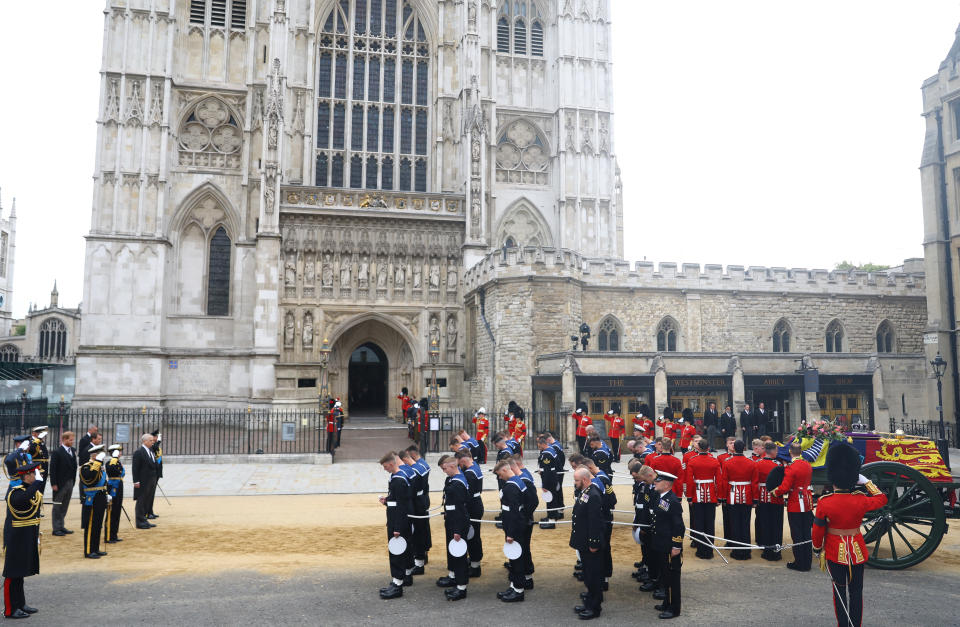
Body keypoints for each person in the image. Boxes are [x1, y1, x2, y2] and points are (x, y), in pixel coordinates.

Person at [811, 442, 887, 627]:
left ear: (833, 479)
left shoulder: (825, 502)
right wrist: (867, 482)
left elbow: (818, 530)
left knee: (839, 593)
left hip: (834, 552)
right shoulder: (860, 500)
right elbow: (882, 499)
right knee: (856, 593)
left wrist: (817, 548)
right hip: (858, 552)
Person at [2, 461, 42, 619]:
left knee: (21, 573)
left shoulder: (29, 490)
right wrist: (38, 483)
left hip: (26, 536)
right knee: (12, 574)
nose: (37, 476)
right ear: (27, 476)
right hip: (15, 538)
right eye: (35, 474)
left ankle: (20, 603)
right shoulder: (15, 492)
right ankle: (10, 609)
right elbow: (24, 498)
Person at [773, 441, 814, 571]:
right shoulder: (807, 465)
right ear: (801, 452)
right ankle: (807, 561)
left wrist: (775, 492)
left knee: (797, 534)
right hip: (807, 501)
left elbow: (785, 487)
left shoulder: (791, 467)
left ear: (790, 452)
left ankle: (800, 562)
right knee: (806, 533)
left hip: (796, 502)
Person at [570, 467, 605, 620]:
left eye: (576, 480)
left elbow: (595, 522)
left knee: (593, 576)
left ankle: (594, 607)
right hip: (583, 541)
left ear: (584, 480)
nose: (574, 483)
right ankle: (589, 602)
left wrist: (594, 543)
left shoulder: (594, 494)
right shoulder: (586, 492)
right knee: (588, 575)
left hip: (590, 544)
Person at [378, 451, 414, 599]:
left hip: (397, 521)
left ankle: (397, 584)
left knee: (396, 553)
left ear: (392, 464)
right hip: (396, 518)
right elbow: (397, 499)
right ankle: (398, 580)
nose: (385, 469)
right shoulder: (397, 477)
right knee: (399, 552)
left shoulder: (398, 480)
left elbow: (401, 506)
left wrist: (397, 528)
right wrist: (387, 500)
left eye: (386, 466)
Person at [649, 471, 685, 620]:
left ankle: (674, 608)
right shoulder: (661, 497)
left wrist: (676, 546)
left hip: (670, 546)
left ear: (667, 484)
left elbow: (679, 526)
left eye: (658, 481)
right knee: (665, 576)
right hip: (661, 544)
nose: (655, 482)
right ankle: (667, 602)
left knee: (672, 579)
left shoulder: (673, 501)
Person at [436, 455, 470, 601]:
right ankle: (455, 578)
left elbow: (458, 510)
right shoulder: (453, 480)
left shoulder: (457, 483)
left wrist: (457, 530)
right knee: (453, 553)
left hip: (457, 522)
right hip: (452, 520)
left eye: (444, 468)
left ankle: (461, 587)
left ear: (451, 466)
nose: (444, 471)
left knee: (459, 555)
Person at [493, 460, 527, 603]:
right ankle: (514, 585)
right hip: (517, 524)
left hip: (514, 528)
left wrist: (510, 533)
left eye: (500, 474)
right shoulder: (518, 482)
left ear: (506, 470)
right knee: (514, 559)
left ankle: (518, 590)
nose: (500, 478)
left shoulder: (511, 487)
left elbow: (512, 512)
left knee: (516, 558)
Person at [685, 439, 721, 559]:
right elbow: (719, 481)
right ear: (708, 448)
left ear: (698, 448)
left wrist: (689, 496)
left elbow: (690, 481)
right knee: (710, 523)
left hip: (697, 494)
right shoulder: (714, 461)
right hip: (710, 494)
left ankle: (701, 550)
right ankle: (709, 550)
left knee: (699, 523)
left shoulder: (692, 460)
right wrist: (718, 497)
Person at [720, 440, 756, 560]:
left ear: (734, 448)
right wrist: (755, 499)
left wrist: (723, 497)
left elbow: (724, 481)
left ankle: (736, 551)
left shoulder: (727, 463)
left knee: (735, 524)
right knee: (745, 524)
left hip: (732, 495)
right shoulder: (751, 463)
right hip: (747, 495)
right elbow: (754, 483)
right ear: (744, 448)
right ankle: (746, 551)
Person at [753, 441, 784, 561]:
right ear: (773, 451)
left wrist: (755, 499)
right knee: (776, 525)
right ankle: (776, 550)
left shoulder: (757, 463)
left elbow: (755, 483)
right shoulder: (778, 465)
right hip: (776, 498)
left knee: (764, 524)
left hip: (762, 497)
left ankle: (766, 549)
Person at [455, 450, 483, 577]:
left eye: (459, 464)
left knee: (472, 537)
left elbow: (467, 495)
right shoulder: (474, 467)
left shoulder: (470, 474)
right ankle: (473, 561)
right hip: (476, 503)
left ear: (463, 461)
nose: (459, 467)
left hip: (472, 506)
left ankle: (475, 565)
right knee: (473, 535)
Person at [79, 444, 109, 559]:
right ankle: (88, 550)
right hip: (92, 499)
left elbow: (103, 482)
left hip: (100, 497)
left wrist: (107, 493)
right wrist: (97, 462)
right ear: (95, 454)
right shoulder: (86, 467)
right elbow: (90, 479)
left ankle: (95, 548)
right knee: (90, 524)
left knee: (98, 524)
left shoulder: (100, 466)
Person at [48, 431, 77, 537]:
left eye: (72, 439)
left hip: (70, 481)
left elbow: (74, 467)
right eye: (70, 440)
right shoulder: (57, 452)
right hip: (60, 483)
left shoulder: (72, 451)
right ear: (64, 440)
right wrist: (53, 483)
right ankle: (56, 528)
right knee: (57, 505)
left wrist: (73, 480)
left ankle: (61, 525)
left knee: (65, 505)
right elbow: (53, 469)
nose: (72, 441)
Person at [132, 434, 158, 529]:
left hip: (151, 479)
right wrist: (136, 481)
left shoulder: (150, 450)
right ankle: (139, 521)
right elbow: (135, 468)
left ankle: (144, 519)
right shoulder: (139, 452)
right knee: (141, 501)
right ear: (145, 441)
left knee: (147, 500)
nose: (153, 442)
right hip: (143, 481)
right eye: (151, 440)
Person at [536, 435, 561, 529]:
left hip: (549, 479)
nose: (538, 447)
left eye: (539, 445)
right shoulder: (550, 450)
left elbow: (547, 471)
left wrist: (544, 485)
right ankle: (550, 516)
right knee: (551, 498)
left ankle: (552, 520)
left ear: (542, 444)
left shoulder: (547, 454)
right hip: (552, 477)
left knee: (550, 499)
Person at [104, 444, 125, 544]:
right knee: (111, 512)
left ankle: (114, 534)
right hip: (113, 487)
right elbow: (113, 470)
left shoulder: (117, 462)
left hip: (119, 486)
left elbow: (121, 473)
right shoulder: (110, 463)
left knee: (117, 511)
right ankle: (108, 535)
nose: (120, 453)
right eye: (118, 451)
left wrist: (116, 460)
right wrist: (114, 458)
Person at [717, 436, 737, 537]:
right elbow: (720, 477)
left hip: (738, 490)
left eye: (734, 443)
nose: (732, 445)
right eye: (730, 443)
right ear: (726, 445)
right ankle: (728, 538)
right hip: (727, 490)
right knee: (727, 516)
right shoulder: (721, 458)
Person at [26, 426, 49, 492]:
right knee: (36, 486)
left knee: (42, 486)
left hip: (44, 467)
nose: (41, 435)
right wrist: (37, 440)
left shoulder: (40, 441)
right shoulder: (32, 442)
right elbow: (31, 451)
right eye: (39, 433)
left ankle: (40, 501)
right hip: (37, 467)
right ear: (34, 433)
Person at [148, 430, 163, 519]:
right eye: (156, 437)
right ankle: (147, 512)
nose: (157, 438)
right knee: (149, 494)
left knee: (152, 493)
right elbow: (155, 448)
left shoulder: (155, 445)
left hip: (157, 472)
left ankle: (151, 511)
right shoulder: (151, 446)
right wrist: (158, 442)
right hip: (152, 473)